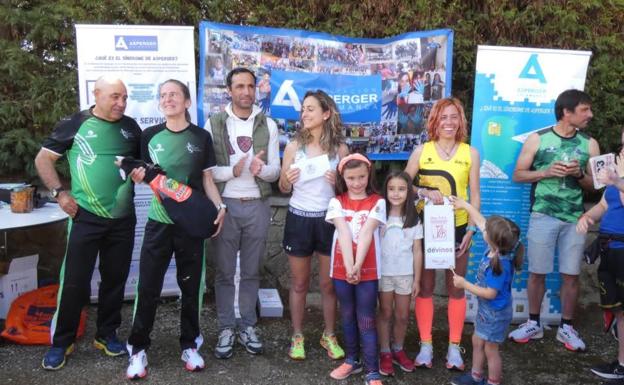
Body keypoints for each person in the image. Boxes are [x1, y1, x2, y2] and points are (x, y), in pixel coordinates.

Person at [34, 76, 143, 370]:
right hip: (85, 217)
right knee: (74, 282)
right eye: (115, 97)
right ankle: (62, 341)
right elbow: (43, 159)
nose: (121, 103)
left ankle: (106, 335)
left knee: (115, 279)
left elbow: (141, 165)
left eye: (124, 97)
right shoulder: (75, 123)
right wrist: (59, 193)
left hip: (122, 219)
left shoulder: (131, 127)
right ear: (97, 95)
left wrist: (139, 171)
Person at [125, 79, 226, 379]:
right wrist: (137, 176)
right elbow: (143, 177)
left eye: (174, 95)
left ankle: (190, 345)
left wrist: (220, 208)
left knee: (191, 287)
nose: (168, 99)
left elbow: (207, 180)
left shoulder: (201, 136)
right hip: (158, 223)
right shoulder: (149, 136)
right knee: (148, 288)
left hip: (191, 225)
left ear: (186, 102)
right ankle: (138, 350)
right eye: (163, 95)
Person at [508, 89, 599, 351]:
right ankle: (533, 322)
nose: (590, 115)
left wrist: (580, 174)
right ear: (566, 112)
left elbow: (595, 186)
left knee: (571, 275)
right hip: (543, 214)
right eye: (584, 110)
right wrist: (546, 172)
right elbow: (518, 175)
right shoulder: (538, 139)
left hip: (575, 218)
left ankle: (567, 327)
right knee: (537, 272)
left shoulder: (589, 144)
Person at [205, 67, 281, 359]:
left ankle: (248, 325)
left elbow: (275, 172)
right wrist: (232, 171)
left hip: (258, 204)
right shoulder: (215, 123)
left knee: (251, 271)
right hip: (225, 204)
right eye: (240, 86)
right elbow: (207, 171)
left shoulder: (268, 125)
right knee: (224, 272)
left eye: (250, 86)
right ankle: (226, 326)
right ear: (229, 90)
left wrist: (264, 169)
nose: (246, 91)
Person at [404, 97, 480, 370]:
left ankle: (454, 347)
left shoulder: (470, 153)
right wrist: (424, 191)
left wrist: (472, 228)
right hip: (426, 227)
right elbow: (403, 185)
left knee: (455, 287)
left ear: (461, 120)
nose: (449, 122)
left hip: (458, 226)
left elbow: (475, 196)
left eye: (454, 117)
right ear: (434, 121)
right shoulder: (421, 151)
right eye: (443, 117)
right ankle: (425, 346)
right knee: (425, 286)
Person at [279, 90, 349, 360]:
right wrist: (288, 178)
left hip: (329, 221)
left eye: (310, 109)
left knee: (329, 285)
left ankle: (328, 335)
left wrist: (337, 183)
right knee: (299, 283)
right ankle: (297, 336)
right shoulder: (295, 146)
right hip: (299, 218)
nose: (304, 114)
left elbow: (348, 190)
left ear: (326, 113)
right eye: (303, 109)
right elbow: (284, 187)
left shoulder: (340, 149)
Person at [448, 196, 524, 385]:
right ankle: (475, 376)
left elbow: (490, 293)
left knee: (491, 350)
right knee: (477, 340)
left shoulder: (498, 264)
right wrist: (465, 205)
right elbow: (482, 222)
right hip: (487, 312)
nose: (484, 228)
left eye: (486, 230)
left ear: (491, 239)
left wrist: (464, 284)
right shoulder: (498, 247)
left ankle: (493, 381)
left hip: (495, 314)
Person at [325, 153, 385, 385]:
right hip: (341, 270)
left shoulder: (378, 201)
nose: (357, 182)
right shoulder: (336, 202)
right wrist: (350, 268)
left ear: (369, 173)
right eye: (351, 178)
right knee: (347, 314)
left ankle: (372, 369)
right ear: (343, 177)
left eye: (361, 176)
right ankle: (352, 360)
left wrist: (358, 266)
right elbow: (342, 232)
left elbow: (368, 232)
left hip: (368, 270)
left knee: (366, 317)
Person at [578, 149, 624, 381]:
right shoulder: (615, 178)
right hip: (610, 251)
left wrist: (619, 180)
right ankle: (622, 364)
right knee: (618, 309)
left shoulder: (618, 177)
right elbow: (604, 205)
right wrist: (588, 217)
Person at [375, 171, 423, 376]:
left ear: (408, 192)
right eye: (392, 189)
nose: (396, 193)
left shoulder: (413, 218)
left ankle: (398, 348)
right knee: (385, 313)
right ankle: (385, 351)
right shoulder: (379, 215)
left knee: (402, 315)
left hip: (405, 275)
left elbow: (417, 250)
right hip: (384, 274)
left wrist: (417, 279)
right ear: (385, 191)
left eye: (401, 189)